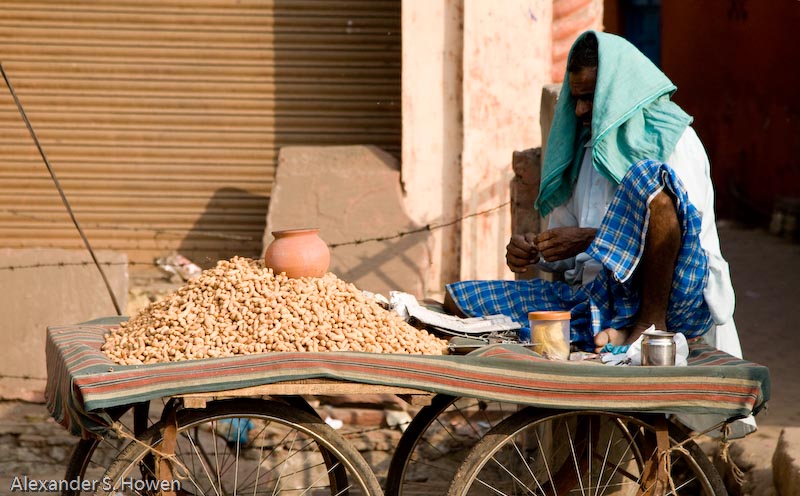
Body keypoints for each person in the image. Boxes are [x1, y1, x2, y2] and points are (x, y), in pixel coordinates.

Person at [445, 30, 741, 357]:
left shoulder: (675, 140)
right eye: (577, 99)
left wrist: (590, 239)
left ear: (618, 95)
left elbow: (681, 235)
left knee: (649, 177)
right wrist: (536, 248)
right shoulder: (588, 151)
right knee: (458, 300)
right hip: (598, 299)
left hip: (674, 303)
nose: (580, 111)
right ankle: (614, 332)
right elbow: (570, 251)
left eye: (590, 99)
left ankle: (646, 328)